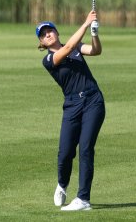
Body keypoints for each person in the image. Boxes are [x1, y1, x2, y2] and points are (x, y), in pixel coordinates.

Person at [36, 11, 104, 211]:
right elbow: (67, 47)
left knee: (85, 148)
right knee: (65, 153)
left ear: (56, 32)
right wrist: (85, 23)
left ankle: (83, 199)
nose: (48, 34)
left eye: (50, 30)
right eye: (43, 34)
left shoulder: (77, 48)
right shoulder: (49, 60)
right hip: (72, 105)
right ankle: (62, 184)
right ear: (42, 43)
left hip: (93, 100)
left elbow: (96, 51)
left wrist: (94, 33)